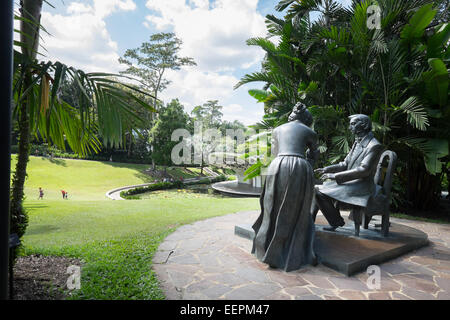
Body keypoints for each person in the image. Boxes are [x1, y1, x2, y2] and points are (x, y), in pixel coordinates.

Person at [251, 102, 319, 272]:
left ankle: (264, 249)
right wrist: (309, 163)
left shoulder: (277, 129)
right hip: (298, 166)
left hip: (276, 164)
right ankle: (288, 253)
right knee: (295, 208)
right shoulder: (310, 132)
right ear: (306, 119)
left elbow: (275, 152)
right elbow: (313, 155)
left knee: (270, 207)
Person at [314, 114, 384, 231]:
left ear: (364, 125)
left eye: (353, 124)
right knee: (316, 188)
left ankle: (336, 221)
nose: (349, 127)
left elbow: (363, 170)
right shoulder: (357, 142)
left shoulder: (374, 145)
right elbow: (344, 164)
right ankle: (311, 221)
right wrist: (327, 169)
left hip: (362, 185)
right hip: (352, 182)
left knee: (318, 191)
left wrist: (334, 176)